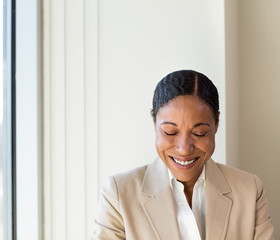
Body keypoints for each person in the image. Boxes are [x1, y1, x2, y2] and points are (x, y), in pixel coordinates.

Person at [92, 70, 274, 240]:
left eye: (200, 133)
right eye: (170, 132)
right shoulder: (118, 194)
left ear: (217, 123)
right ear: (154, 123)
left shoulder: (249, 191)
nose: (184, 148)